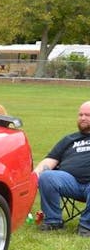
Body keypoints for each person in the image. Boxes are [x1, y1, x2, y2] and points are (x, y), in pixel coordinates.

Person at [33, 100, 90, 237]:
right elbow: (50, 160)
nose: (83, 118)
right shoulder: (69, 139)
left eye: (87, 115)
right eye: (80, 114)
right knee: (47, 176)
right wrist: (34, 176)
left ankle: (86, 226)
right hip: (70, 183)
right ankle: (53, 221)